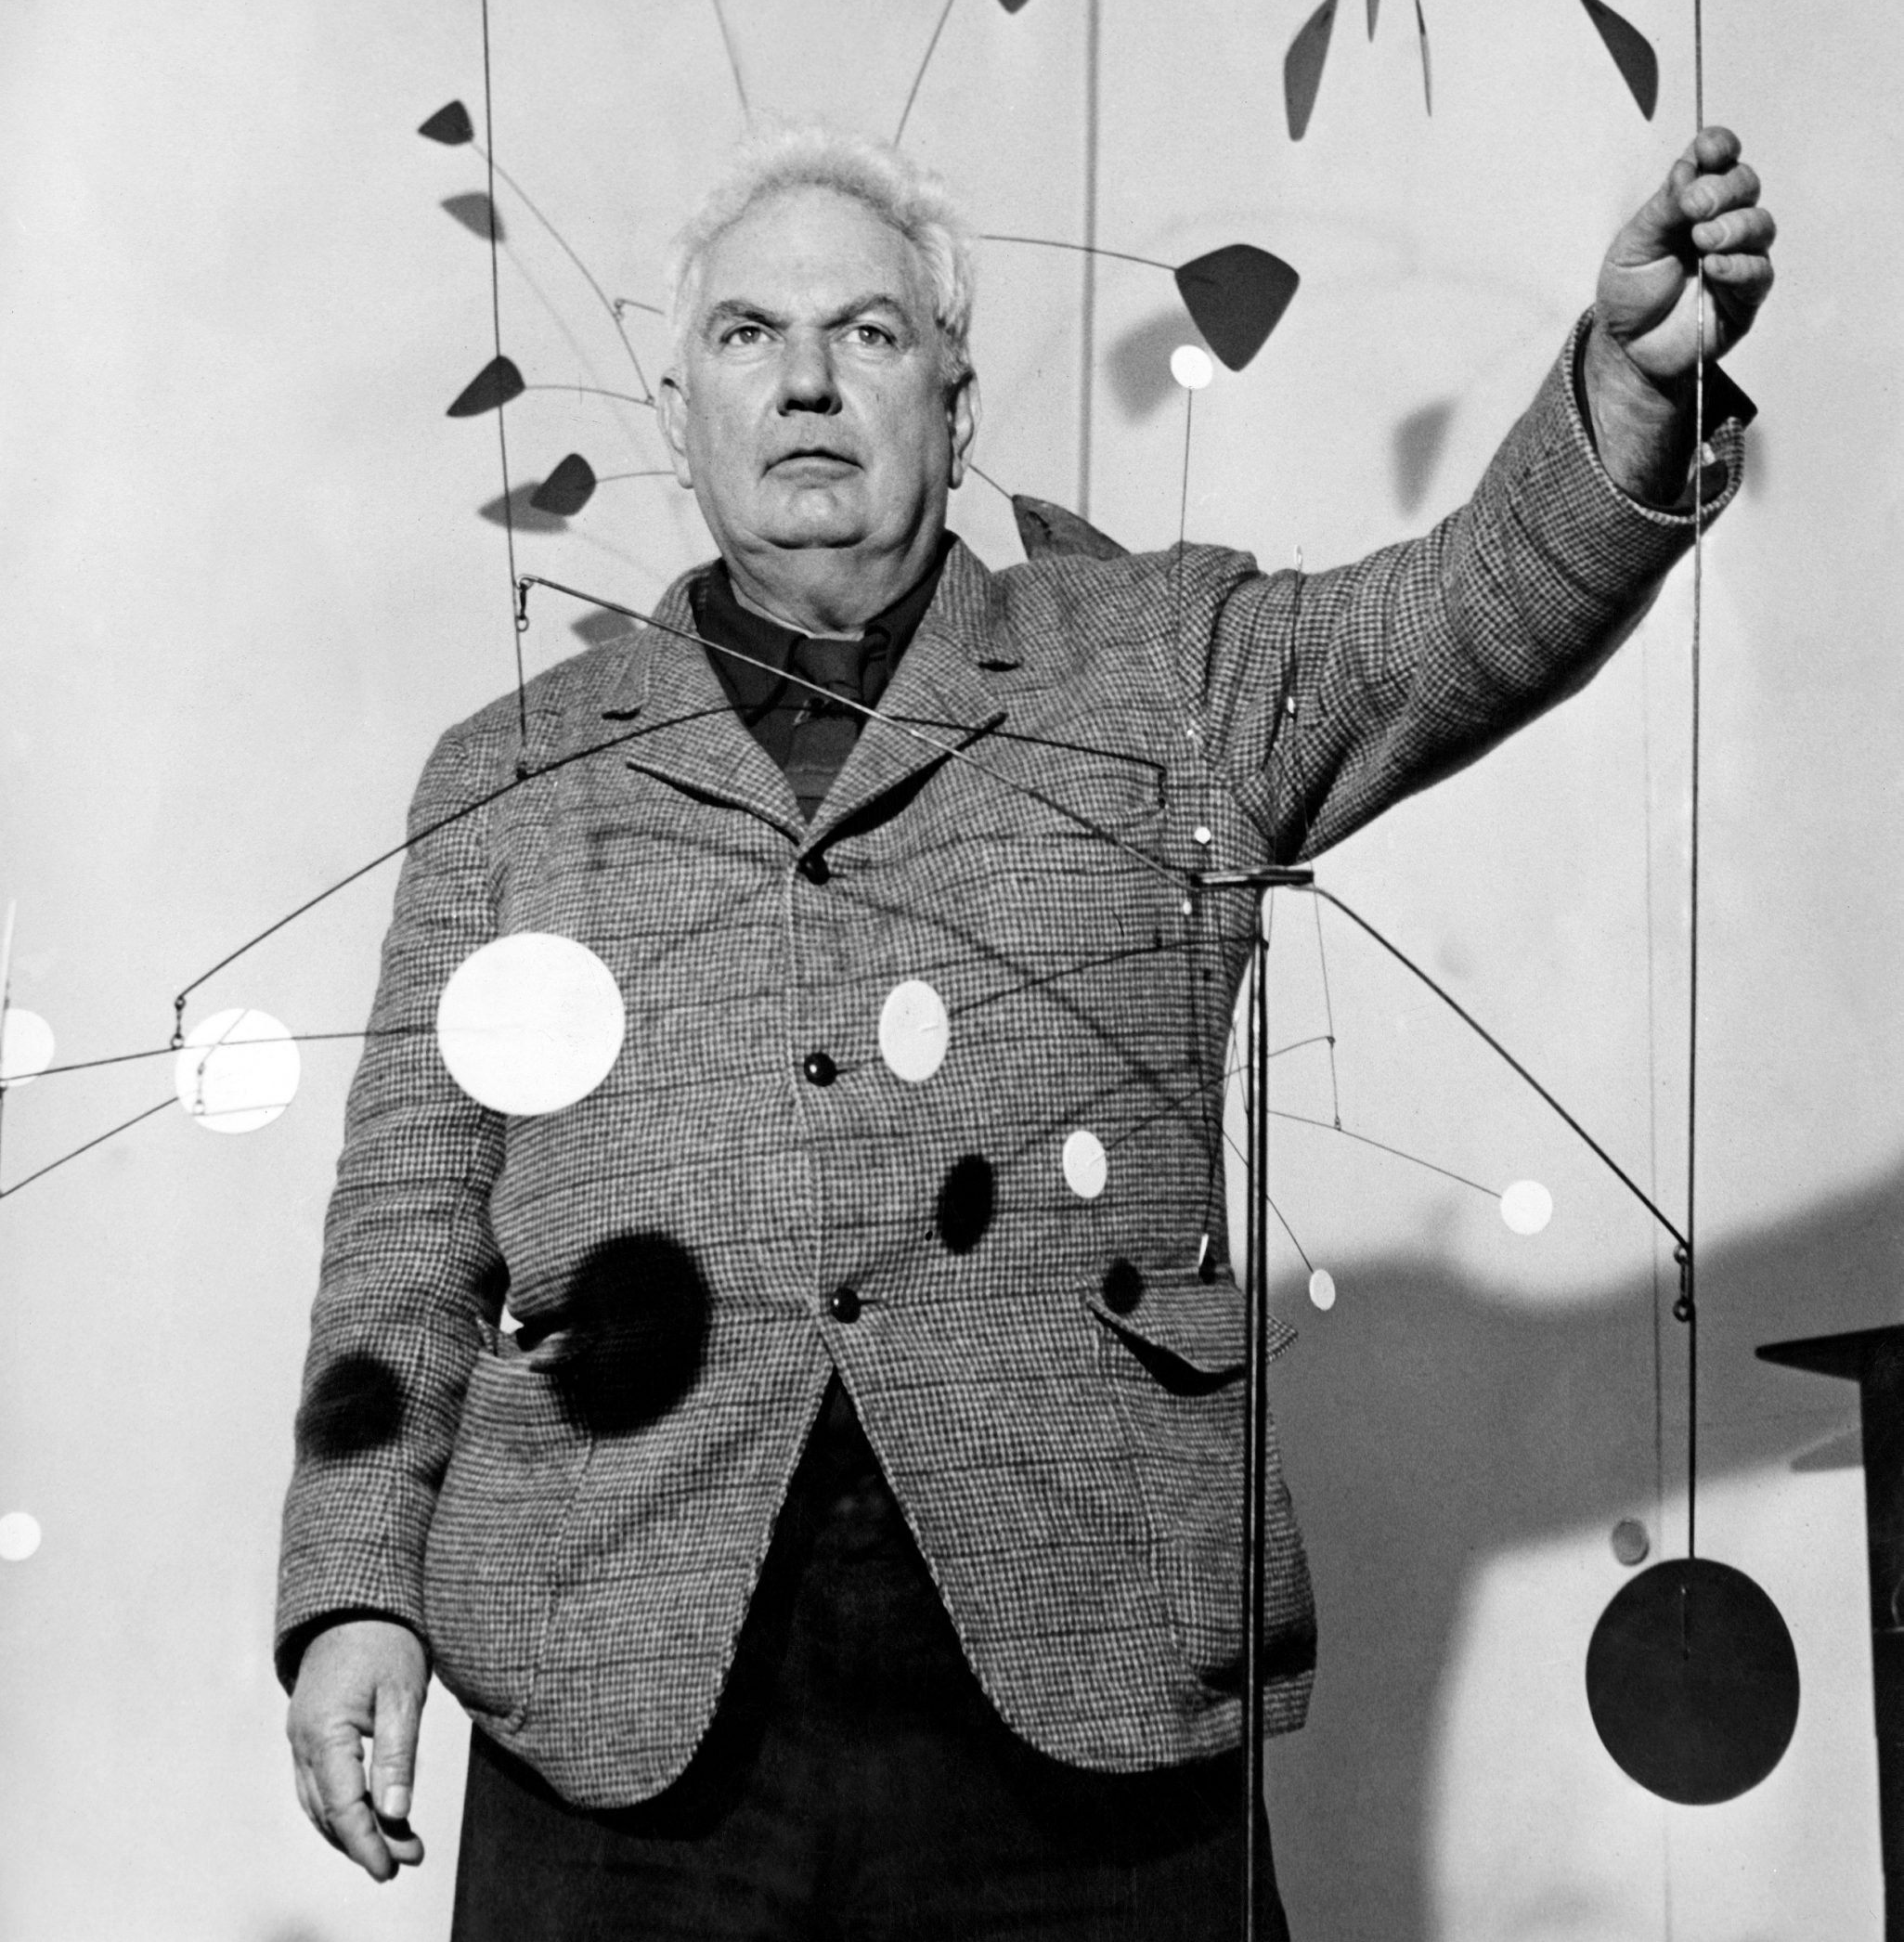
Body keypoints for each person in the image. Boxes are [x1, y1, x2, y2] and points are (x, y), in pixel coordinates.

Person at [278, 122, 1773, 1937]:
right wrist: (356, 1586)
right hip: (613, 1702)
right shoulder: (509, 774)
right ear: (682, 408)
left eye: (871, 332)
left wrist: (1619, 396)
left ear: (955, 398)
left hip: (1090, 1693)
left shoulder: (1158, 666)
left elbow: (1448, 625)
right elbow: (406, 1224)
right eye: (749, 334)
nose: (810, 380)